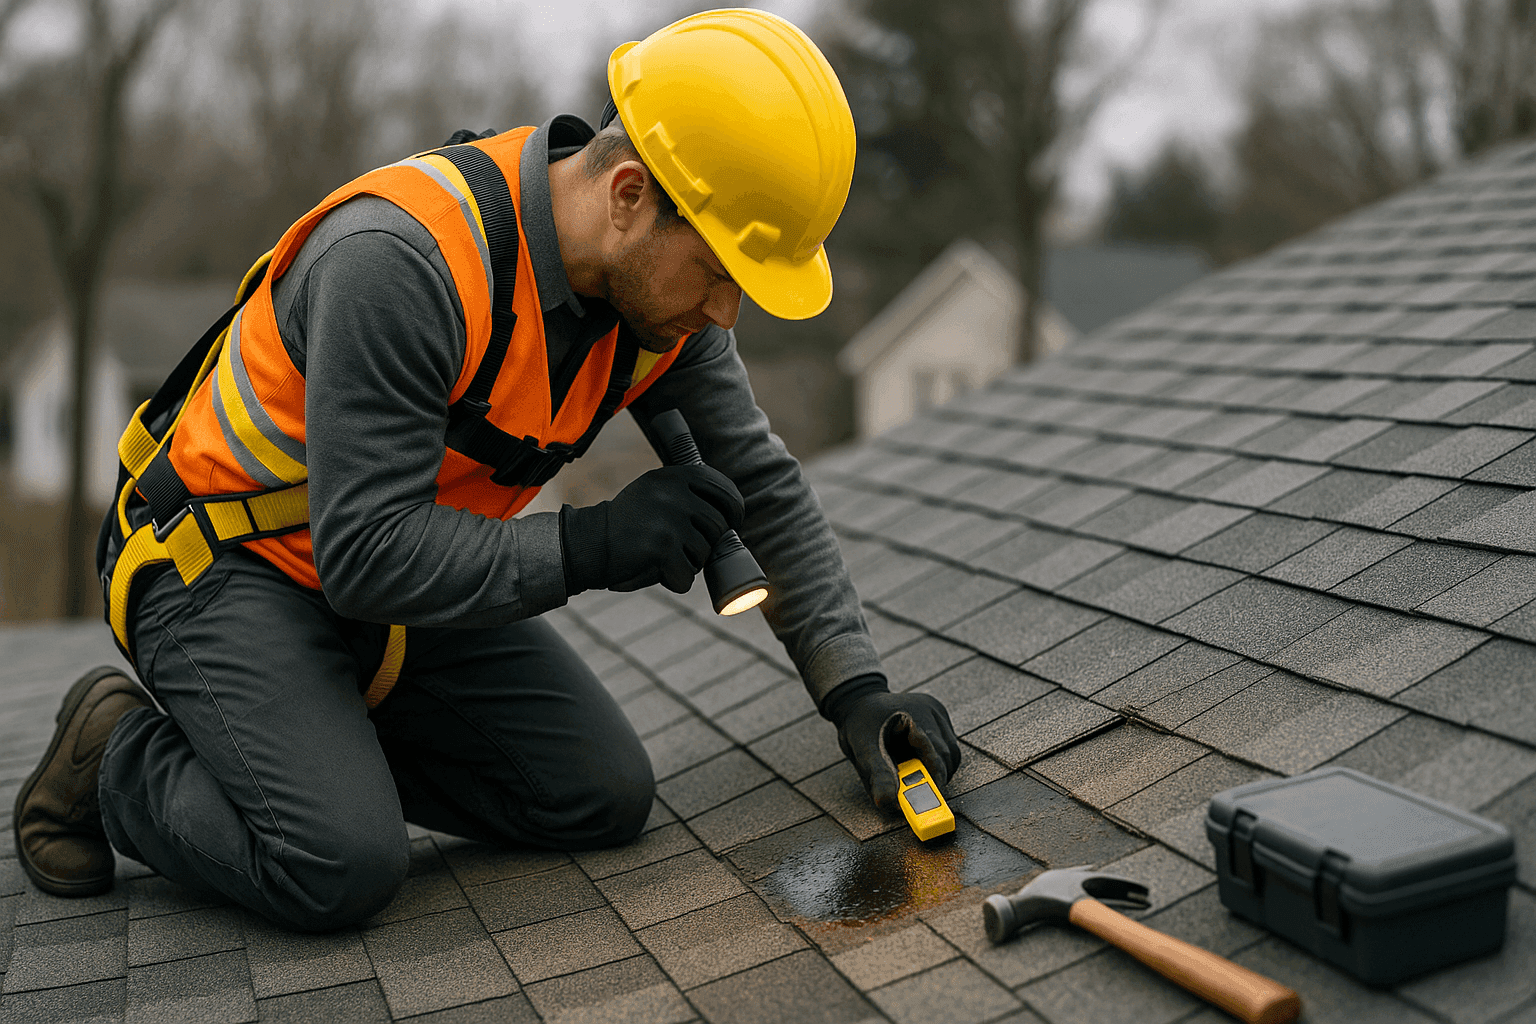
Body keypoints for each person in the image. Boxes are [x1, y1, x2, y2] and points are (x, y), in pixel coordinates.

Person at [13, 8, 961, 931]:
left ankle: (310, 743)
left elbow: (762, 484)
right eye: (719, 272)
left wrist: (855, 692)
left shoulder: (660, 309)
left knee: (599, 794)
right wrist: (593, 544)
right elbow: (367, 554)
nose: (725, 314)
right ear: (628, 194)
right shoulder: (401, 263)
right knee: (338, 863)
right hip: (220, 564)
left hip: (384, 585)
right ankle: (115, 755)